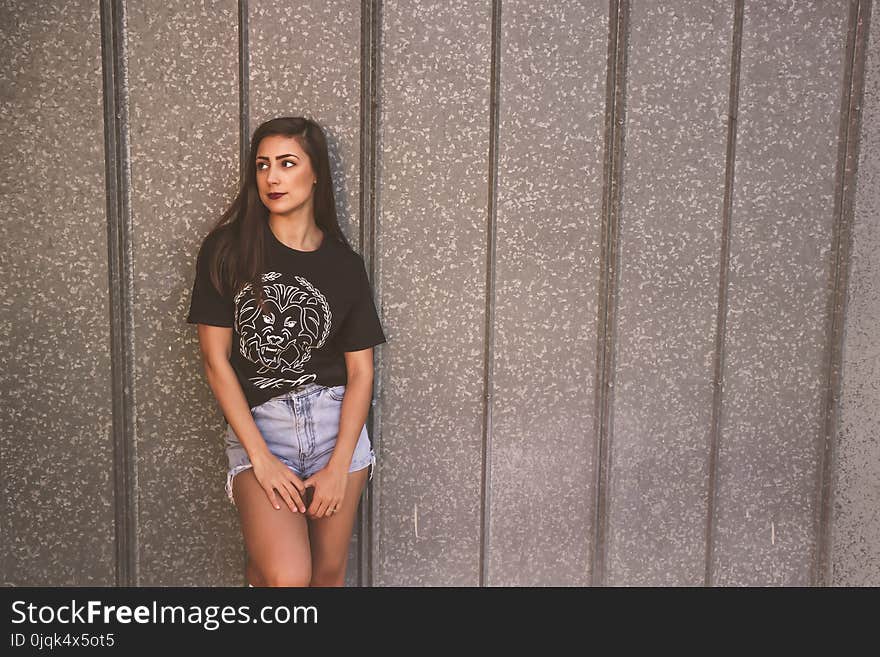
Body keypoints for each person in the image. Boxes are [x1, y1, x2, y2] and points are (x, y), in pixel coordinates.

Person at [186, 116, 386, 587]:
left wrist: (339, 467)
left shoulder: (344, 264)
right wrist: (260, 456)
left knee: (327, 576)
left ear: (315, 174)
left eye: (287, 164)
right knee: (288, 577)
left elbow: (361, 373)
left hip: (336, 428)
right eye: (262, 166)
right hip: (263, 429)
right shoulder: (226, 251)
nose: (272, 178)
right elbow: (216, 363)